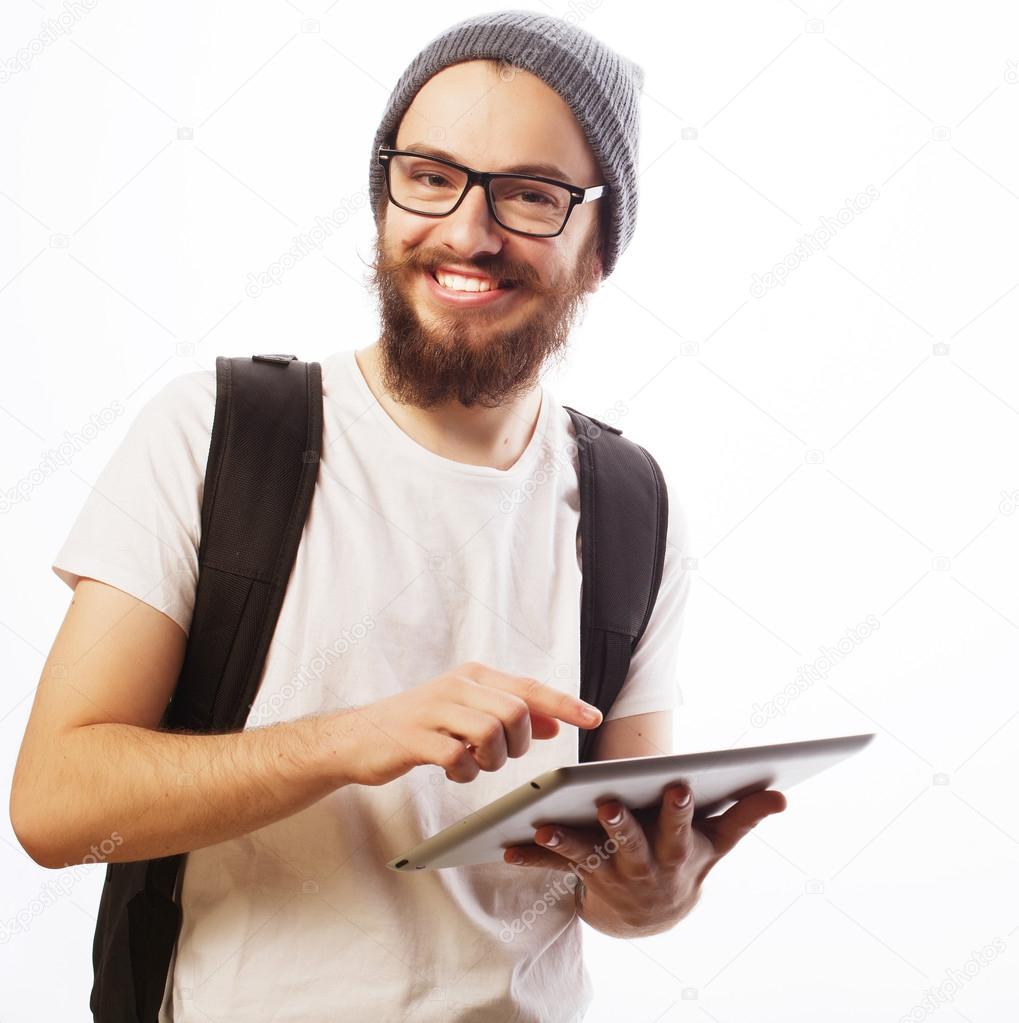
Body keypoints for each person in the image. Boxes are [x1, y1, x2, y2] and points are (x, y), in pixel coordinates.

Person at [10, 11, 784, 1021]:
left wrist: (651, 895)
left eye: (530, 196)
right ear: (384, 196)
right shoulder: (214, 432)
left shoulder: (632, 503)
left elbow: (611, 883)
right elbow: (56, 808)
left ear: (599, 249)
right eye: (430, 175)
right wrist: (349, 739)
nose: (467, 231)